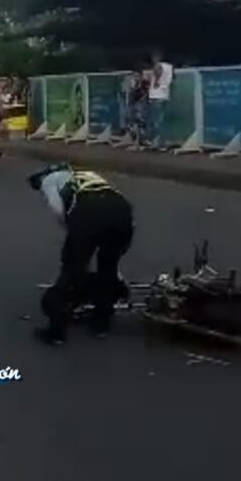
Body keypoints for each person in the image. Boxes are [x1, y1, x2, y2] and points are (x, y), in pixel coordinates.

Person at [29, 163, 134, 345]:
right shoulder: (86, 175)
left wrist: (73, 236)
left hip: (89, 212)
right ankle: (101, 324)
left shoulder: (49, 180)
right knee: (108, 266)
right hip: (122, 210)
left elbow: (58, 209)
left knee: (71, 269)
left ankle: (57, 332)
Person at [146, 51, 173, 148]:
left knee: (156, 121)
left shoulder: (157, 66)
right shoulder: (169, 67)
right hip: (165, 94)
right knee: (161, 120)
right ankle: (162, 142)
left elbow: (158, 72)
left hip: (156, 95)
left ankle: (158, 142)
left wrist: (156, 81)